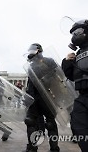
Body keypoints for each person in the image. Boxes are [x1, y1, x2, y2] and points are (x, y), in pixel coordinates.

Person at [23, 43, 60, 152]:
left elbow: (57, 77)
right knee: (30, 122)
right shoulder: (30, 65)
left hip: (47, 96)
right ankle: (32, 147)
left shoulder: (49, 61)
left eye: (32, 51)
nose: (30, 53)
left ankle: (54, 148)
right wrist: (27, 97)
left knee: (50, 123)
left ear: (39, 51)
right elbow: (30, 83)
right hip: (34, 97)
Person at [61, 19, 88, 152]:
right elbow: (71, 76)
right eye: (73, 33)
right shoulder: (77, 54)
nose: (75, 36)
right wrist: (67, 62)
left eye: (78, 31)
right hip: (82, 96)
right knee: (78, 125)